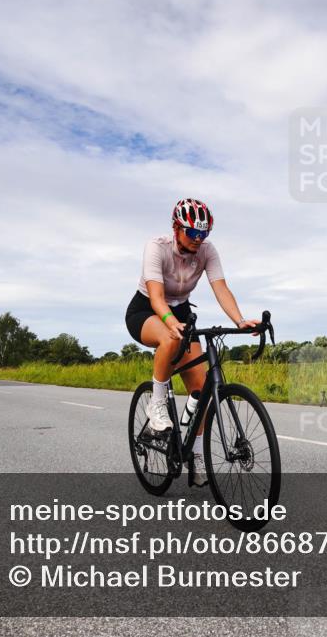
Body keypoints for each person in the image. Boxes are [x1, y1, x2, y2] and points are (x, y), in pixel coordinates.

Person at [124, 198, 259, 487]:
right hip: (147, 309)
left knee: (201, 389)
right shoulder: (157, 247)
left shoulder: (207, 252)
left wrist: (239, 319)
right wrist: (169, 321)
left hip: (183, 311)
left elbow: (220, 287)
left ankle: (196, 455)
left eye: (204, 234)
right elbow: (157, 297)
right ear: (176, 227)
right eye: (193, 233)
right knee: (169, 337)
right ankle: (157, 405)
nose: (199, 240)